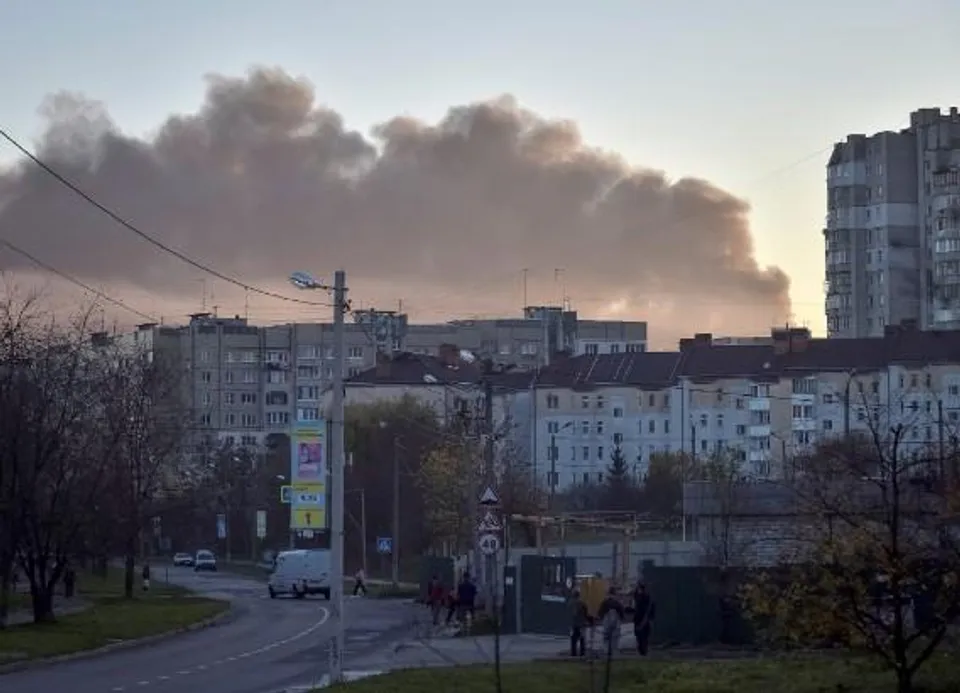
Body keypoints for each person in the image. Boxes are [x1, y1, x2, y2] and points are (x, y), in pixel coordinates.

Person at [597, 585, 625, 656]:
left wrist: (600, 618)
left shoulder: (605, 602)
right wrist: (622, 618)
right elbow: (621, 613)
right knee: (615, 637)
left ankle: (606, 650)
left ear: (609, 593)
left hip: (607, 621)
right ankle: (614, 650)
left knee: (606, 636)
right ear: (614, 594)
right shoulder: (617, 603)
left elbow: (600, 613)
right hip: (616, 622)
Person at [632, 581, 656, 656]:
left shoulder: (641, 598)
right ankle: (643, 651)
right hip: (645, 620)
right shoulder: (648, 599)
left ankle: (642, 651)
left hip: (641, 620)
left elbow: (635, 596)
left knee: (641, 637)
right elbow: (652, 610)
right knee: (644, 637)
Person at [568, 588, 589, 657]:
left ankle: (573, 653)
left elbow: (568, 613)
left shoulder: (570, 603)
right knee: (582, 639)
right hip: (581, 624)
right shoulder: (582, 603)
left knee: (573, 639)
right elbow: (586, 613)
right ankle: (582, 653)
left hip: (573, 624)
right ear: (579, 595)